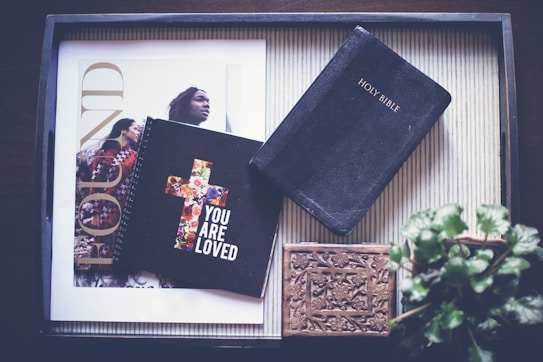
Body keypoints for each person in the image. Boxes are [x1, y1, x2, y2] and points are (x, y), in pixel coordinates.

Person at [75, 118, 140, 269]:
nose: (138, 132)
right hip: (108, 208)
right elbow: (96, 184)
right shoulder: (105, 154)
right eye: (135, 129)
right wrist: (96, 213)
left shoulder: (134, 156)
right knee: (105, 246)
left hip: (127, 208)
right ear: (123, 130)